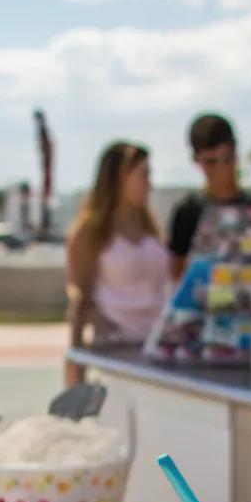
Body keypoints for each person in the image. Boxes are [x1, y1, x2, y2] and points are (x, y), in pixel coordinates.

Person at [66, 142, 169, 380]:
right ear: (120, 178)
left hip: (157, 349)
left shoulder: (150, 230)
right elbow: (80, 302)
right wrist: (74, 375)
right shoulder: (91, 232)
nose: (149, 183)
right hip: (113, 353)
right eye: (143, 174)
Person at [167, 113, 251, 280]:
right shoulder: (187, 212)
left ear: (236, 153)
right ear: (196, 160)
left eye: (227, 158)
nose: (221, 169)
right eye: (211, 162)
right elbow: (178, 276)